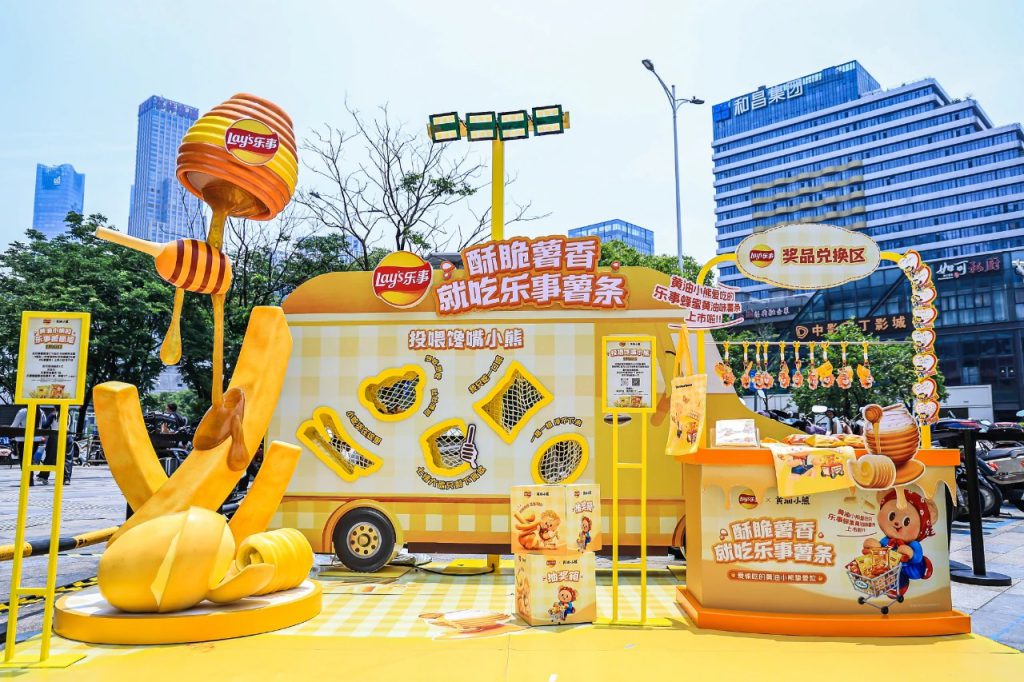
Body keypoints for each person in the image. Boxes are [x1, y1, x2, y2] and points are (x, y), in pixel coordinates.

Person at [10, 405, 47, 487]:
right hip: (36, 439)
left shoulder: (23, 411)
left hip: (23, 439)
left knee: (23, 460)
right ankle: (30, 480)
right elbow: (43, 425)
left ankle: (27, 480)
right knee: (29, 459)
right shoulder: (41, 411)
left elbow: (14, 425)